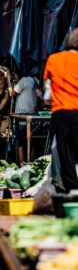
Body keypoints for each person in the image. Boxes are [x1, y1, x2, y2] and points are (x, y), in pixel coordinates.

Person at [44, 28, 78, 192]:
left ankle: (73, 192)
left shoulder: (53, 59)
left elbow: (47, 94)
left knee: (67, 155)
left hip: (61, 113)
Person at [13, 76, 41, 165]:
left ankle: (22, 166)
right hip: (33, 117)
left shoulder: (24, 80)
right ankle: (32, 166)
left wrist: (10, 81)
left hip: (21, 118)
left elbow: (12, 93)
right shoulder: (36, 81)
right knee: (32, 144)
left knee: (21, 144)